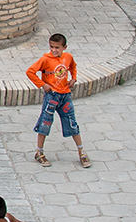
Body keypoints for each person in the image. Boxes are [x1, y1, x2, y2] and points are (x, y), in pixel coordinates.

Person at [26, 33, 90, 166]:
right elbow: (30, 72)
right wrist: (43, 85)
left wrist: (74, 78)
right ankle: (39, 152)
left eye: (57, 47)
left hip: (65, 96)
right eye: (51, 47)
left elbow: (73, 66)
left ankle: (81, 151)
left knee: (72, 122)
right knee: (45, 123)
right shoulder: (45, 59)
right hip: (52, 96)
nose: (54, 50)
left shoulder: (68, 57)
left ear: (64, 47)